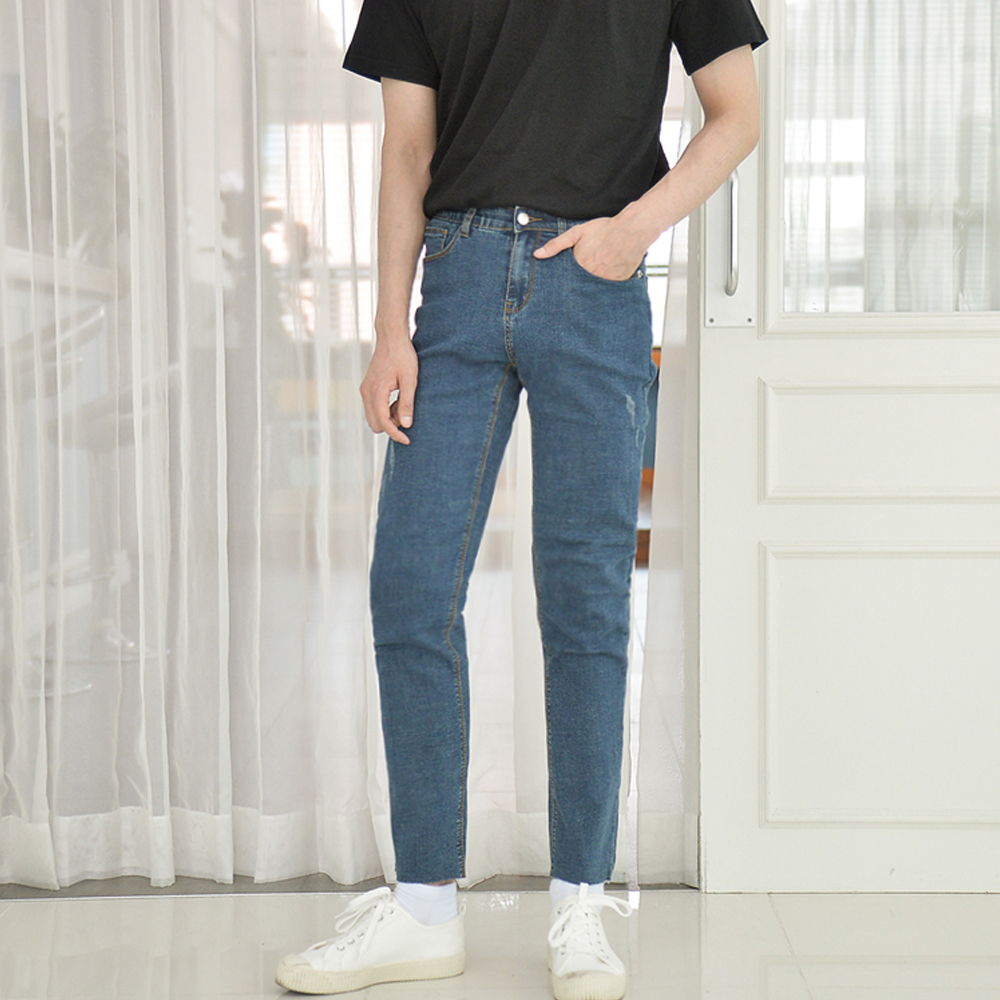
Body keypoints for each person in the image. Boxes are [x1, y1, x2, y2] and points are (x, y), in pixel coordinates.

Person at [276, 0, 766, 996]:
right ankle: (424, 909)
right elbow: (407, 150)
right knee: (412, 587)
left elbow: (737, 112)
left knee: (585, 600)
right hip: (456, 279)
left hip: (595, 283)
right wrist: (388, 330)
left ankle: (580, 902)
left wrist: (633, 231)